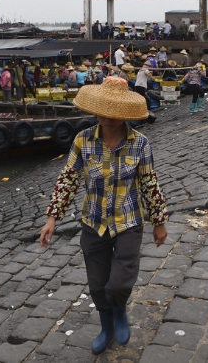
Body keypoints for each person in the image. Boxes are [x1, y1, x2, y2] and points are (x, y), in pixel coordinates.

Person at [39, 76, 168, 355]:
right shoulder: (83, 140)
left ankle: (119, 310)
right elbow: (68, 180)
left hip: (129, 221)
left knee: (120, 281)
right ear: (95, 109)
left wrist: (159, 222)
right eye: (103, 111)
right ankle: (106, 324)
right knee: (98, 284)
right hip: (93, 223)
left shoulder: (140, 144)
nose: (108, 117)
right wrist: (52, 218)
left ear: (124, 114)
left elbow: (149, 183)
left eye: (115, 112)